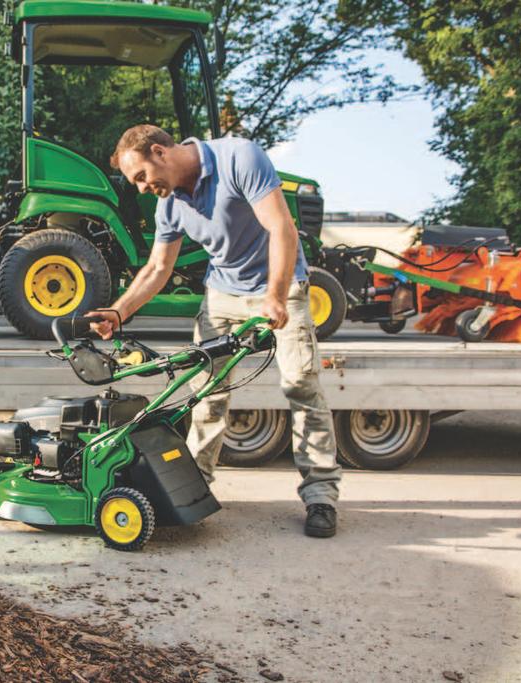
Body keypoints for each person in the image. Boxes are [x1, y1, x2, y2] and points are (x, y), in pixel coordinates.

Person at [89, 124, 341, 538]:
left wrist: (275, 295)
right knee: (206, 394)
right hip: (222, 295)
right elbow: (156, 268)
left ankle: (321, 496)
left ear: (160, 152)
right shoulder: (168, 203)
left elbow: (282, 228)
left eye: (140, 177)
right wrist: (118, 312)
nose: (140, 188)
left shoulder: (239, 157)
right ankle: (194, 487)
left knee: (301, 386)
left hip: (280, 286)